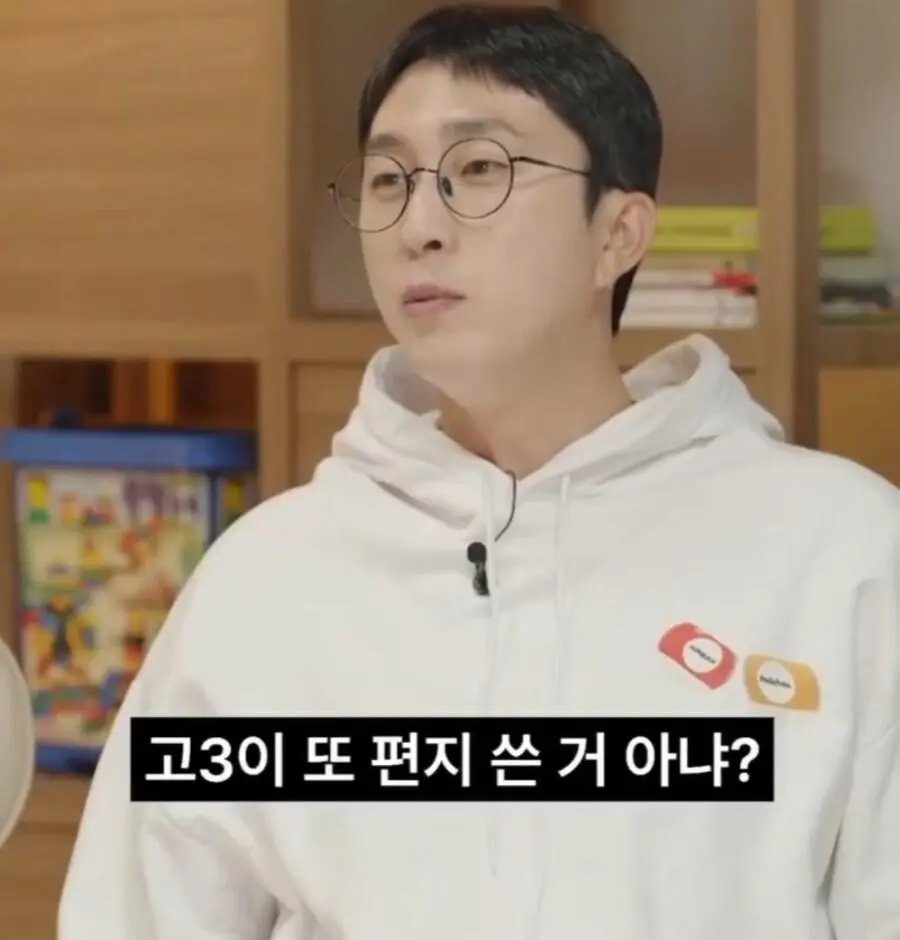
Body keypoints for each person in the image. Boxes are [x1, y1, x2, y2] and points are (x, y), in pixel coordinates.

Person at [58, 5, 899, 939]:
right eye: (388, 180)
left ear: (618, 233)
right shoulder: (265, 581)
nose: (419, 224)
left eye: (481, 170)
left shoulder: (840, 555)